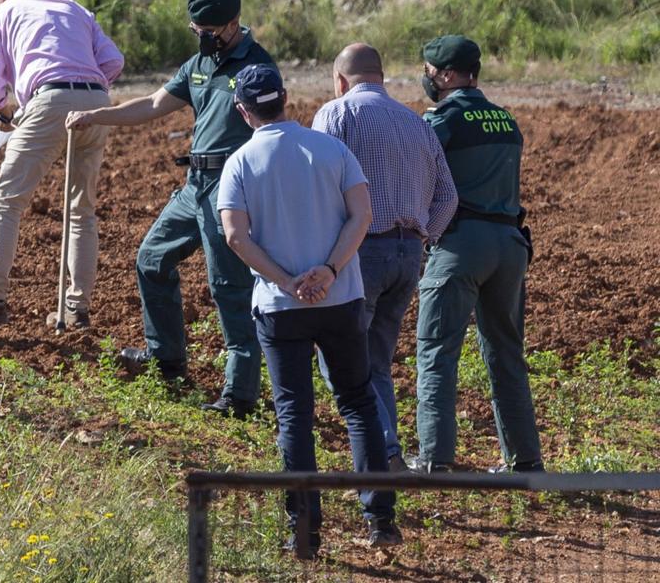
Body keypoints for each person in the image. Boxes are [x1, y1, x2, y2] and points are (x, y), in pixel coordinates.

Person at [67, 0, 272, 418]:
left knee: (228, 286)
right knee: (152, 258)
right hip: (194, 182)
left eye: (209, 31)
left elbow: (272, 126)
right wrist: (95, 115)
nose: (201, 38)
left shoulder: (257, 65)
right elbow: (153, 103)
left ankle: (240, 394)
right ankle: (166, 358)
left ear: (233, 24)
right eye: (196, 30)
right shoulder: (198, 63)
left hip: (231, 185)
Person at [217, 62, 400, 552]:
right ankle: (380, 520)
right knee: (359, 403)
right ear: (286, 99)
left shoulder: (240, 162)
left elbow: (236, 236)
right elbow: (363, 214)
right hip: (340, 300)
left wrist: (286, 281)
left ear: (243, 110)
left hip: (280, 307)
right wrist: (331, 270)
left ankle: (305, 532)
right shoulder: (331, 147)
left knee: (294, 412)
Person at [0, 0, 123, 328]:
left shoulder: (1, 15)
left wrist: (5, 111)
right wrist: (84, 90)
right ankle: (77, 309)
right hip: (96, 103)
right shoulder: (73, 7)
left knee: (5, 201)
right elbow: (113, 62)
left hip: (48, 101)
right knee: (81, 208)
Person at [311, 43, 458, 471]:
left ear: (340, 81)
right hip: (407, 254)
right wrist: (422, 236)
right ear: (381, 76)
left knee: (339, 356)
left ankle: (381, 451)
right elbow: (448, 196)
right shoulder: (417, 123)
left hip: (361, 251)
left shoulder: (335, 115)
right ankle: (388, 453)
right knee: (377, 358)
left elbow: (318, 183)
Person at [409, 35, 544, 473]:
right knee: (506, 352)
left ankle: (435, 460)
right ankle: (525, 462)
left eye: (430, 72)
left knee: (436, 351)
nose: (427, 79)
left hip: (461, 245)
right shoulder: (506, 121)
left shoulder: (441, 121)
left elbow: (419, 178)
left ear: (447, 76)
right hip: (509, 246)